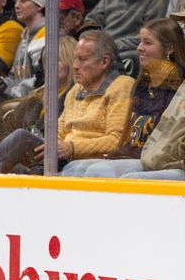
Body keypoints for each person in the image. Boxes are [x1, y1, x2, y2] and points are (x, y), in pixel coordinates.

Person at [0, 30, 134, 175]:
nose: (75, 65)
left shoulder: (122, 86)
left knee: (21, 138)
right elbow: (59, 134)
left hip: (73, 159)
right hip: (55, 157)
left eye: (82, 59)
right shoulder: (76, 90)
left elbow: (116, 140)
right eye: (75, 58)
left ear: (104, 62)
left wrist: (71, 148)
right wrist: (4, 148)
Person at [62, 18, 185, 178]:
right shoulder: (142, 83)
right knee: (73, 169)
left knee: (101, 171)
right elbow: (128, 136)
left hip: (165, 160)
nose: (140, 48)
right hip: (138, 157)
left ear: (168, 48)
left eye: (147, 43)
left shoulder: (178, 86)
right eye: (139, 41)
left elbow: (168, 140)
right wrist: (118, 154)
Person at [84, 0, 167, 75]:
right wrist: (89, 39)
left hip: (128, 48)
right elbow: (91, 20)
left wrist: (110, 45)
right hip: (102, 44)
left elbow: (149, 35)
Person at [0, 0, 45, 99]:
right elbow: (16, 75)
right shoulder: (25, 36)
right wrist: (4, 84)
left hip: (34, 103)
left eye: (23, 0)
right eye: (16, 1)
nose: (16, 6)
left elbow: (40, 80)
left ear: (40, 5)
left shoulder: (45, 36)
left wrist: (9, 90)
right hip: (22, 101)